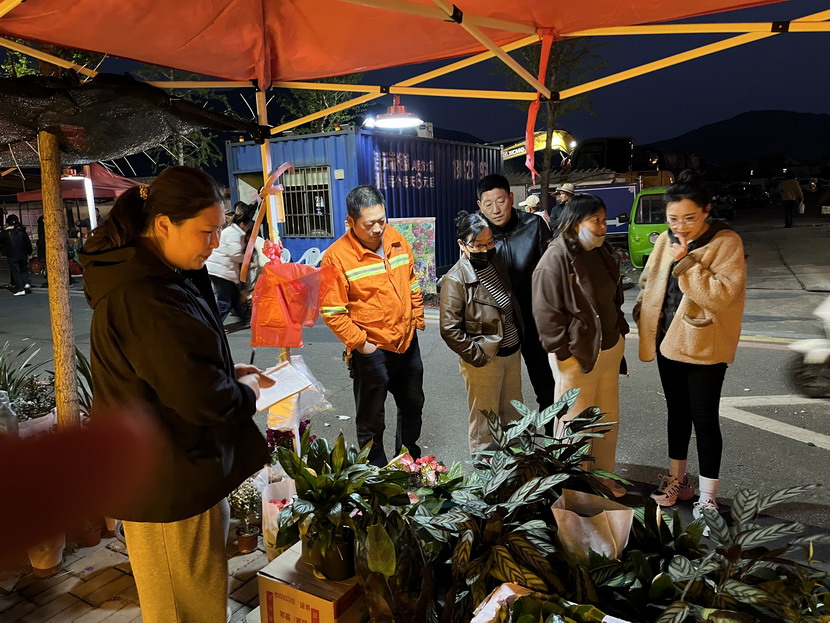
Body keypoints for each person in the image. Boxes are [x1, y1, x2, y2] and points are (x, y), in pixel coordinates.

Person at [78, 166, 269, 623]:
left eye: (219, 230)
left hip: (184, 470)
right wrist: (242, 390)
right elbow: (203, 399)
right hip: (163, 484)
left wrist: (224, 371)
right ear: (163, 224)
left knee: (200, 602)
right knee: (181, 610)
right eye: (206, 231)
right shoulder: (144, 295)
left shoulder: (165, 275)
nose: (215, 243)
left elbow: (172, 369)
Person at [633, 170, 746, 518]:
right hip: (667, 340)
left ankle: (708, 497)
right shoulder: (665, 240)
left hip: (704, 344)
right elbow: (649, 279)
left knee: (704, 419)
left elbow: (721, 296)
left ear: (707, 211)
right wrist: (642, 310)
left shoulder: (726, 242)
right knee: (677, 413)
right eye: (673, 219)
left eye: (689, 218)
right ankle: (678, 481)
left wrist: (686, 263)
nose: (680, 226)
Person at [320, 185, 425, 467]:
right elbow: (332, 312)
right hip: (372, 349)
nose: (378, 228)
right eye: (369, 224)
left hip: (406, 342)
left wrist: (416, 316)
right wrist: (363, 345)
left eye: (382, 220)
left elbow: (411, 280)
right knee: (371, 419)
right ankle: (375, 473)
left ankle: (408, 463)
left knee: (413, 406)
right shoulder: (335, 257)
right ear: (350, 222)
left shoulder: (396, 239)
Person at [532, 193, 629, 497]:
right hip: (576, 355)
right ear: (576, 224)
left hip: (609, 348)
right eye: (595, 220)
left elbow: (614, 296)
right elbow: (546, 315)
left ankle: (602, 478)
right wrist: (564, 353)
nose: (603, 226)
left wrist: (619, 331)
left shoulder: (601, 250)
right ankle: (573, 489)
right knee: (574, 423)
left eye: (603, 219)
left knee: (607, 420)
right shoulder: (555, 258)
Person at [439, 211, 523, 457]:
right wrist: (478, 356)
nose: (485, 249)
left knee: (513, 411)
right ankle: (485, 465)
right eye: (477, 245)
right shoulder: (455, 279)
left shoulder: (496, 262)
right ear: (462, 244)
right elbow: (449, 329)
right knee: (485, 419)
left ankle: (516, 462)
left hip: (511, 352)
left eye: (489, 242)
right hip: (484, 359)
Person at [477, 174, 554, 413]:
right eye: (488, 204)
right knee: (501, 394)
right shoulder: (477, 235)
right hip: (499, 324)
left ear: (511, 198)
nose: (495, 209)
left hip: (534, 320)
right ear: (479, 206)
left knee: (547, 388)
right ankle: (509, 436)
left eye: (500, 201)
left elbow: (552, 272)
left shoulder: (534, 225)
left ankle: (552, 435)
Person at [205, 202, 254, 325]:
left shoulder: (233, 231)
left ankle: (244, 319)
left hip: (221, 269)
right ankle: (214, 324)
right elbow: (235, 253)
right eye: (247, 226)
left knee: (234, 298)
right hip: (221, 271)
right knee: (224, 302)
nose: (247, 229)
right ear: (242, 224)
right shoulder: (234, 234)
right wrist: (246, 259)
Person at [0, 214, 33, 296]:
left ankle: (21, 288)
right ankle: (26, 284)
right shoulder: (22, 231)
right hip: (23, 254)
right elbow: (28, 242)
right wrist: (29, 252)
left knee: (15, 271)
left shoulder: (5, 233)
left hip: (12, 255)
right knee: (23, 269)